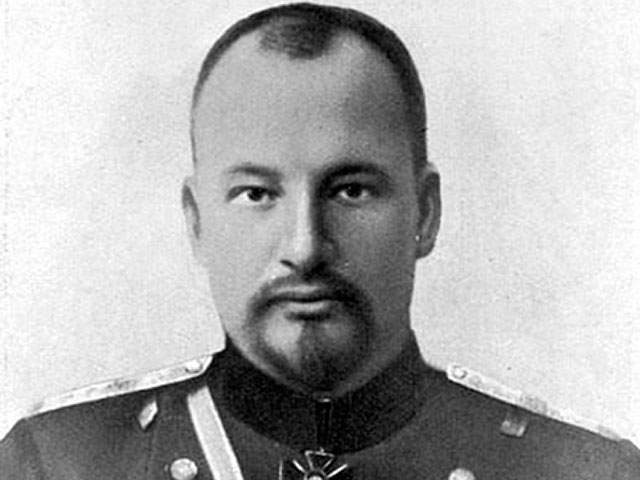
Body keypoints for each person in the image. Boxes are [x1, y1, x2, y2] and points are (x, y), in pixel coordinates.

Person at [1, 3, 638, 480]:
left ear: (426, 213)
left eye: (350, 190)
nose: (305, 248)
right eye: (257, 194)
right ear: (197, 221)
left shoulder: (581, 471)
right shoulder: (56, 463)